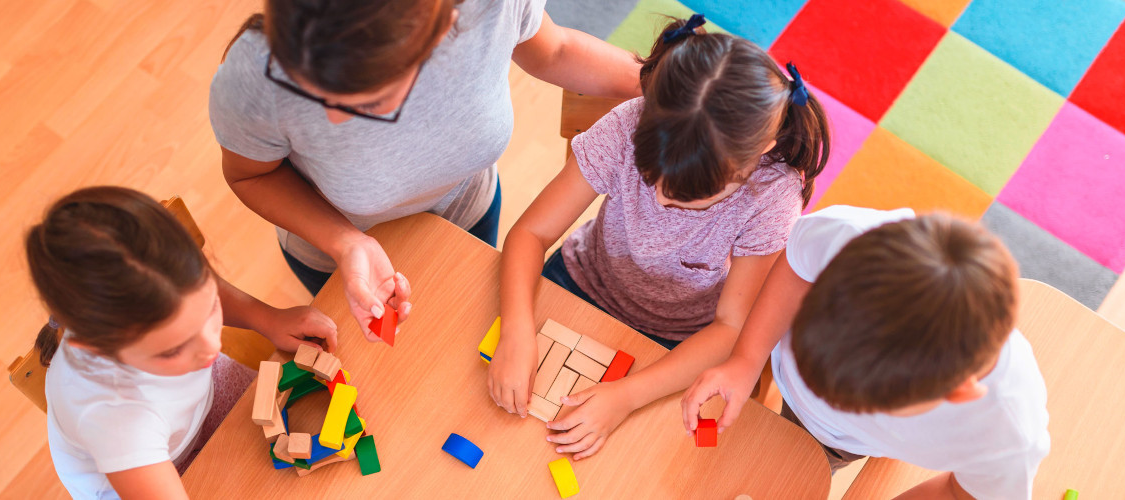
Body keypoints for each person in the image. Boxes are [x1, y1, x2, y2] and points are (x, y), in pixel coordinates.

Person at [488, 15, 829, 460]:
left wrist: (626, 396)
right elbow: (531, 233)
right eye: (653, 178)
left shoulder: (772, 195)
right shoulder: (627, 125)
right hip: (579, 282)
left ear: (756, 156)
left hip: (679, 340)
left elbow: (732, 326)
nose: (663, 200)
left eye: (691, 196)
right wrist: (516, 329)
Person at [209, 0, 642, 342]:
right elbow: (252, 174)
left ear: (437, 33)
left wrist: (671, 83)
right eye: (310, 90)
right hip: (333, 257)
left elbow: (557, 50)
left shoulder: (489, 8)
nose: (332, 120)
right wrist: (346, 243)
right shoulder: (256, 73)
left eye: (362, 103)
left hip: (466, 214)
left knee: (460, 330)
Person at [682, 206, 1051, 499]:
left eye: (865, 405)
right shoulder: (850, 237)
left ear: (959, 393)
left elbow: (959, 493)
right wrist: (747, 358)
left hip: (840, 441)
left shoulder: (1007, 438)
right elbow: (798, 264)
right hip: (798, 401)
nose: (830, 400)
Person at [29, 186, 337, 499]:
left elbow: (203, 288)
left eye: (208, 310)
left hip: (197, 402)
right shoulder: (114, 418)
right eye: (174, 347)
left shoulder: (173, 307)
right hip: (142, 474)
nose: (212, 348)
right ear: (101, 347)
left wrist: (267, 319)